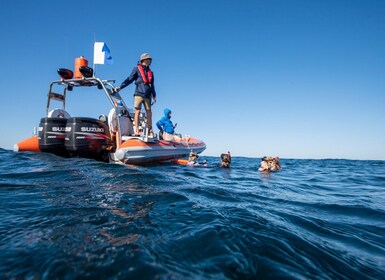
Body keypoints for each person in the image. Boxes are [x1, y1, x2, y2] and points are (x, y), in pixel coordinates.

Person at [115, 53, 156, 137]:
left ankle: (150, 131)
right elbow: (129, 79)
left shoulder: (151, 72)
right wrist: (120, 87)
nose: (150, 61)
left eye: (150, 60)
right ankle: (136, 130)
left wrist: (154, 95)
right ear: (144, 60)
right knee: (137, 111)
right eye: (149, 59)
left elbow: (152, 85)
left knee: (149, 113)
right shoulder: (136, 69)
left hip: (147, 95)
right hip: (138, 94)